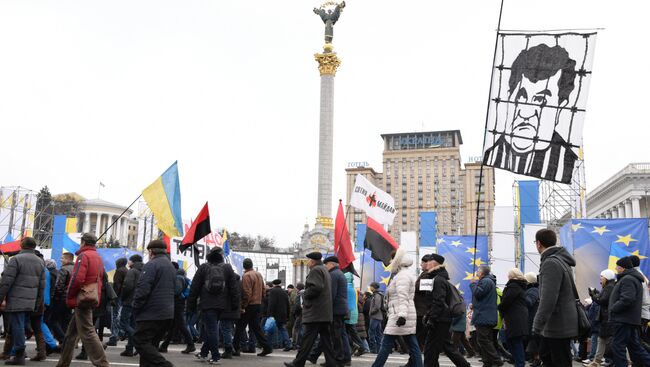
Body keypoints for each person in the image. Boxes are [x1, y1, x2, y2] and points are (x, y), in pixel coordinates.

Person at [482, 43, 579, 183]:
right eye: (521, 97)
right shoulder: (491, 155)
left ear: (560, 108)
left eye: (541, 100)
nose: (526, 113)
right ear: (509, 97)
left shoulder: (567, 165)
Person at [56, 233, 109, 367]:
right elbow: (100, 279)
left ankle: (102, 363)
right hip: (91, 296)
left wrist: (70, 296)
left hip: (83, 298)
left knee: (88, 332)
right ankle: (63, 363)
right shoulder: (98, 257)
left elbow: (77, 279)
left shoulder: (83, 256)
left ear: (83, 242)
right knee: (71, 334)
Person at [532, 228, 578, 367]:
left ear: (538, 243)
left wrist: (537, 325)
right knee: (547, 355)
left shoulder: (550, 263)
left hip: (558, 325)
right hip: (560, 322)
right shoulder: (560, 260)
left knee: (559, 361)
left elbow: (548, 299)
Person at [371, 248, 422, 367]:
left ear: (397, 260)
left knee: (386, 344)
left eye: (392, 259)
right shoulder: (402, 275)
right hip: (400, 313)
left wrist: (402, 315)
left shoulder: (402, 276)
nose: (390, 261)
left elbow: (403, 297)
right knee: (413, 346)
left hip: (399, 314)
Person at [284, 252, 337, 367]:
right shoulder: (324, 271)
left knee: (308, 339)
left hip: (316, 312)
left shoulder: (316, 270)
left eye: (308, 260)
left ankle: (298, 363)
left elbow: (316, 287)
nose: (307, 262)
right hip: (324, 312)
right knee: (326, 340)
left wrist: (305, 294)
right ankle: (331, 362)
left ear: (312, 261)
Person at [188, 247, 240, 364]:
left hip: (207, 303)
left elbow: (194, 287)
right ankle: (204, 353)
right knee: (210, 329)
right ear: (221, 256)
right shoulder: (227, 268)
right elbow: (233, 287)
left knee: (211, 329)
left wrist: (191, 305)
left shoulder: (204, 267)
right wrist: (235, 304)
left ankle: (216, 357)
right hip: (222, 304)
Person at [0, 237, 46, 365]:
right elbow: (42, 285)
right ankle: (18, 352)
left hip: (16, 299)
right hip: (31, 300)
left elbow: (6, 282)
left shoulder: (16, 259)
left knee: (17, 326)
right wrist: (37, 303)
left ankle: (19, 354)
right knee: (19, 325)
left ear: (22, 245)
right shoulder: (40, 261)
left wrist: (1, 297)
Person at [131, 240, 175, 367]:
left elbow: (143, 289)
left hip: (150, 312)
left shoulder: (152, 265)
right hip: (167, 313)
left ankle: (165, 365)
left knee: (140, 342)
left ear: (151, 251)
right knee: (151, 346)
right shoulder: (170, 266)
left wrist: (136, 306)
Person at [421, 253, 470, 367]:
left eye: (428, 261)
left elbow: (438, 301)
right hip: (441, 318)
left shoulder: (438, 280)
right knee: (446, 347)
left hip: (439, 319)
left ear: (434, 263)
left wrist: (432, 319)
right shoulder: (436, 278)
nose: (425, 264)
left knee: (430, 349)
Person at [608, 256, 650, 367]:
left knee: (618, 346)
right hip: (629, 319)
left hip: (623, 319)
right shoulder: (632, 278)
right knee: (635, 347)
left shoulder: (628, 279)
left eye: (617, 266)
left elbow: (627, 299)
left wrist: (613, 308)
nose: (616, 268)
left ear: (623, 268)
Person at [310, 256, 348, 366]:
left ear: (331, 264)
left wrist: (325, 309)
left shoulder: (333, 275)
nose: (325, 267)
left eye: (326, 265)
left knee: (335, 336)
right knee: (331, 335)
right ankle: (328, 358)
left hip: (335, 310)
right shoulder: (339, 274)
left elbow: (330, 294)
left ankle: (338, 359)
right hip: (339, 309)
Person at [233, 258, 272, 356]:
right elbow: (263, 289)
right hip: (258, 304)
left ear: (244, 266)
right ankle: (266, 347)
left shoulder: (246, 276)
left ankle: (235, 348)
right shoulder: (258, 274)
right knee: (256, 328)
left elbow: (247, 293)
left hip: (249, 305)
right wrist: (261, 300)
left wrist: (243, 305)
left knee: (240, 326)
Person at [158, 262, 195, 355]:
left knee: (180, 325)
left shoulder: (178, 277)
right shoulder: (182, 277)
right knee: (172, 325)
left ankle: (191, 344)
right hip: (179, 303)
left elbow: (176, 291)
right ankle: (164, 345)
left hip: (177, 303)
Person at [470, 265, 502, 367]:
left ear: (482, 272)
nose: (476, 274)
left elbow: (478, 293)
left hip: (484, 316)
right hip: (485, 315)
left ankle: (496, 360)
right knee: (486, 340)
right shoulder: (488, 281)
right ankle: (487, 362)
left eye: (477, 272)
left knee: (483, 340)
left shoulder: (486, 281)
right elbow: (482, 298)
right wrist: (474, 305)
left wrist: (473, 284)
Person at [498, 268, 529, 367]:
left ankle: (519, 364)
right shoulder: (520, 286)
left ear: (512, 276)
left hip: (514, 318)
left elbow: (505, 302)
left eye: (508, 275)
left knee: (515, 342)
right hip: (519, 317)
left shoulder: (513, 287)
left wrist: (499, 307)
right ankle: (519, 363)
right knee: (514, 341)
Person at [586, 269, 616, 367]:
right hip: (607, 318)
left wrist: (593, 296)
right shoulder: (609, 287)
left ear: (606, 277)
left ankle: (597, 361)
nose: (600, 279)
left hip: (607, 318)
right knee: (602, 340)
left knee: (605, 340)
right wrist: (595, 295)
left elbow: (602, 300)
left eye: (602, 277)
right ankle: (597, 361)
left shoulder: (609, 288)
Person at [119, 254, 143, 357]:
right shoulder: (143, 271)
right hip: (138, 302)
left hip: (129, 301)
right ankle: (129, 349)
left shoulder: (132, 271)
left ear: (133, 262)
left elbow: (127, 286)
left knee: (123, 323)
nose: (128, 262)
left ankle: (140, 344)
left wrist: (123, 297)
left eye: (129, 261)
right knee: (133, 325)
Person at [50, 253, 74, 345]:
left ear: (68, 259)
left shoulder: (64, 269)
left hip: (61, 299)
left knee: (53, 320)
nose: (61, 260)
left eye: (62, 258)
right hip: (70, 299)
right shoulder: (75, 268)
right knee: (66, 321)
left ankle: (63, 340)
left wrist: (55, 297)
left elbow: (59, 285)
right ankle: (64, 342)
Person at [219, 272, 241, 359]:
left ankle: (228, 349)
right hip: (235, 309)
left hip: (226, 310)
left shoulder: (227, 283)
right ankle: (233, 348)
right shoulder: (239, 283)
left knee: (226, 329)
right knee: (230, 329)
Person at [108, 257, 127, 346]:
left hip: (118, 296)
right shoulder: (127, 271)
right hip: (124, 297)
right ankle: (121, 333)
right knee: (120, 315)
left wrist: (113, 297)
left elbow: (117, 285)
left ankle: (114, 336)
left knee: (115, 316)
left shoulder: (119, 271)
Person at [267, 279, 291, 351]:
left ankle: (269, 346)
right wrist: (287, 315)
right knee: (283, 329)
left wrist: (269, 314)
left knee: (270, 330)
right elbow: (288, 304)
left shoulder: (272, 291)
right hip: (283, 314)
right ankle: (288, 344)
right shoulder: (284, 292)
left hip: (274, 314)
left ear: (273, 285)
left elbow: (271, 304)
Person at [413, 254, 432, 348]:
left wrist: (412, 286)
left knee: (420, 334)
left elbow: (422, 289)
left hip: (422, 310)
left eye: (422, 262)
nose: (421, 265)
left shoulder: (427, 275)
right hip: (420, 309)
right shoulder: (424, 274)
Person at [523, 272, 540, 367]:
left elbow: (529, 302)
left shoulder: (533, 290)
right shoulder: (532, 290)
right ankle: (534, 358)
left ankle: (536, 359)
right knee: (532, 339)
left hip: (532, 318)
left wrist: (521, 295)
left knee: (534, 339)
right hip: (530, 317)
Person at [368, 282, 386, 354]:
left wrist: (371, 312)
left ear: (374, 287)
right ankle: (379, 349)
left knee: (371, 332)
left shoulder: (377, 295)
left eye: (371, 286)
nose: (370, 288)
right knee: (378, 333)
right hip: (378, 316)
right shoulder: (378, 294)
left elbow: (377, 306)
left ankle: (373, 349)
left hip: (375, 316)